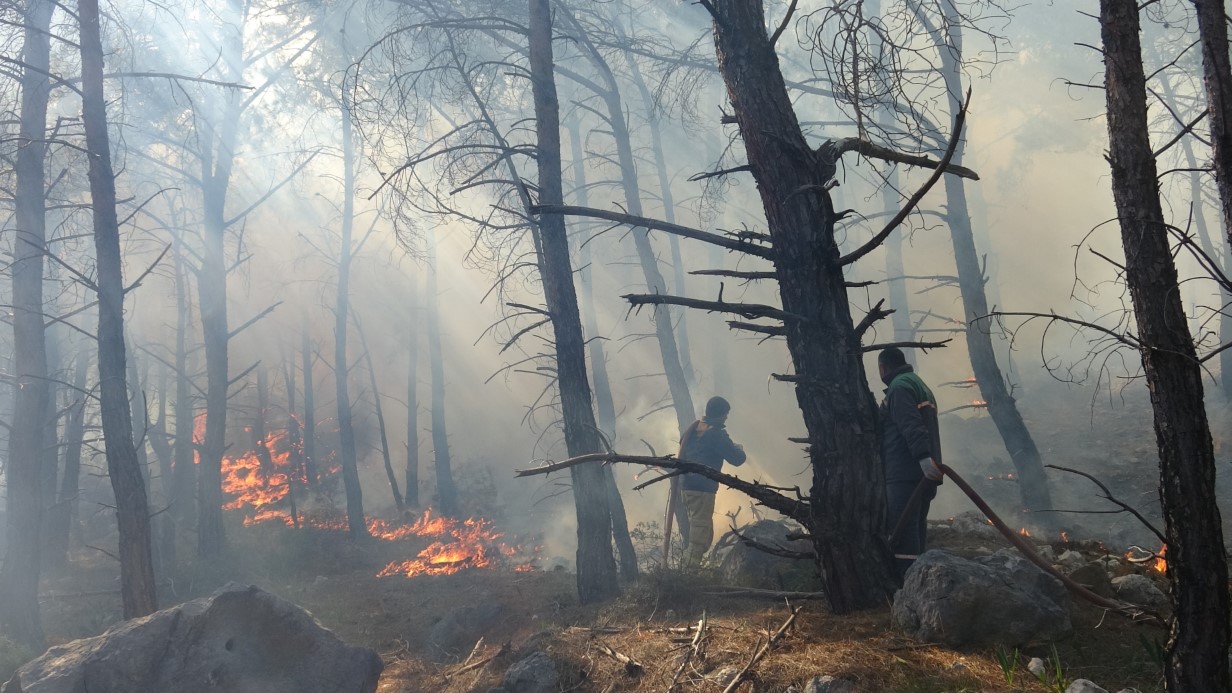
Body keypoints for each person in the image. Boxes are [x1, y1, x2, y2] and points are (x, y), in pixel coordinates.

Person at [878, 347, 944, 581]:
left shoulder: (899, 388)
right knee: (916, 528)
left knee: (904, 534)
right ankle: (921, 586)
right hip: (925, 472)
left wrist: (922, 456)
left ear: (883, 367)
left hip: (904, 472)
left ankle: (907, 588)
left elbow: (910, 425)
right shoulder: (919, 384)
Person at [678, 396, 747, 566]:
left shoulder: (693, 429)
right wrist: (739, 448)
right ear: (720, 414)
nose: (726, 417)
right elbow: (737, 459)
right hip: (702, 491)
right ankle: (688, 577)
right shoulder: (715, 434)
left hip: (687, 488)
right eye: (725, 414)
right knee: (699, 538)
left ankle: (690, 570)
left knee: (703, 534)